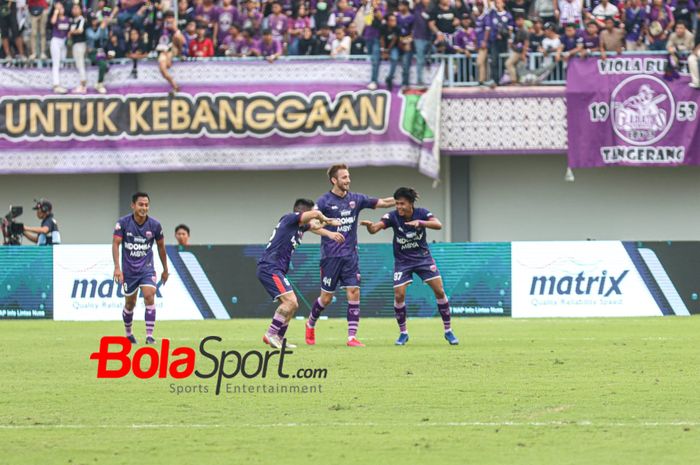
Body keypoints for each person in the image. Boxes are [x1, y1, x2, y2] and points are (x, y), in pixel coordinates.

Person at [305, 164, 396, 347]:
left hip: (350, 256)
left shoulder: (356, 199)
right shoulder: (323, 202)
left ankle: (351, 337)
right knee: (326, 298)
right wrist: (329, 232)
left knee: (354, 292)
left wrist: (401, 199)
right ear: (334, 180)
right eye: (344, 177)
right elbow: (312, 224)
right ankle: (310, 323)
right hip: (330, 257)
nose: (348, 180)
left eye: (348, 176)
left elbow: (383, 203)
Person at [361, 187, 458, 346]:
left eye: (402, 204)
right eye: (397, 204)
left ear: (411, 204)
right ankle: (403, 333)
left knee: (439, 291)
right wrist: (370, 226)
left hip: (423, 259)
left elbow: (438, 225)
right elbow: (375, 229)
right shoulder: (392, 216)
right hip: (402, 262)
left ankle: (448, 331)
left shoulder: (422, 213)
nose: (399, 207)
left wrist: (420, 223)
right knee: (399, 295)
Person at [258, 199, 341, 348]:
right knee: (290, 302)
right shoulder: (289, 218)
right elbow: (316, 215)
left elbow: (315, 226)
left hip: (277, 269)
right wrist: (324, 217)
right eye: (311, 214)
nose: (314, 218)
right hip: (270, 267)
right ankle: (270, 334)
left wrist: (329, 232)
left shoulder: (299, 227)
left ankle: (278, 338)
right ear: (303, 213)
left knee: (293, 304)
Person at [112, 192, 168, 345]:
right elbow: (116, 244)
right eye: (141, 204)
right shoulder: (123, 223)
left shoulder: (155, 225)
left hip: (147, 268)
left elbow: (161, 247)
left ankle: (149, 336)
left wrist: (165, 269)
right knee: (130, 303)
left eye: (146, 205)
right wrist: (117, 268)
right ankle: (128, 334)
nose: (144, 207)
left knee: (149, 295)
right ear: (133, 205)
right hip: (129, 270)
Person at [156, 11, 186, 95]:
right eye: (167, 18)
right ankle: (174, 85)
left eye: (171, 17)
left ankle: (181, 55)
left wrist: (175, 29)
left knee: (177, 36)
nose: (169, 20)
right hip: (162, 50)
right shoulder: (160, 27)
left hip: (173, 49)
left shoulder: (176, 29)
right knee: (163, 68)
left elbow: (183, 41)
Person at [50, 2, 70, 94]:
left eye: (61, 7)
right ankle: (56, 85)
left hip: (64, 42)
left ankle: (63, 83)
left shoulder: (67, 19)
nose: (61, 9)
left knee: (63, 62)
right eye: (59, 8)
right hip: (56, 41)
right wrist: (56, 11)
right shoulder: (56, 18)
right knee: (56, 63)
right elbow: (52, 22)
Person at [68, 2, 88, 94]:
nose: (74, 10)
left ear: (80, 10)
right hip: (75, 44)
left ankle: (83, 86)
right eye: (73, 8)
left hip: (80, 44)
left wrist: (71, 32)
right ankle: (81, 84)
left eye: (77, 8)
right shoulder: (73, 20)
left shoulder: (81, 19)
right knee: (78, 64)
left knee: (80, 64)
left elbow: (80, 30)